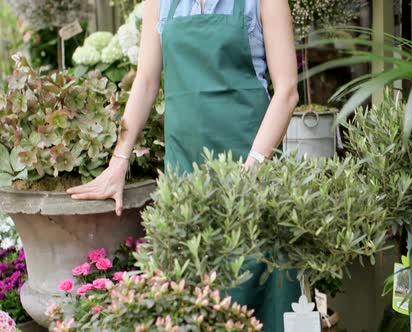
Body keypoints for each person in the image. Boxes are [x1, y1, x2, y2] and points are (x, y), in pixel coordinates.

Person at [67, 0, 300, 330]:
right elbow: (146, 82)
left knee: (259, 296)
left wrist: (251, 171)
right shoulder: (159, 2)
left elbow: (287, 90)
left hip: (252, 174)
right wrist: (119, 161)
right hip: (185, 178)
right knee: (189, 300)